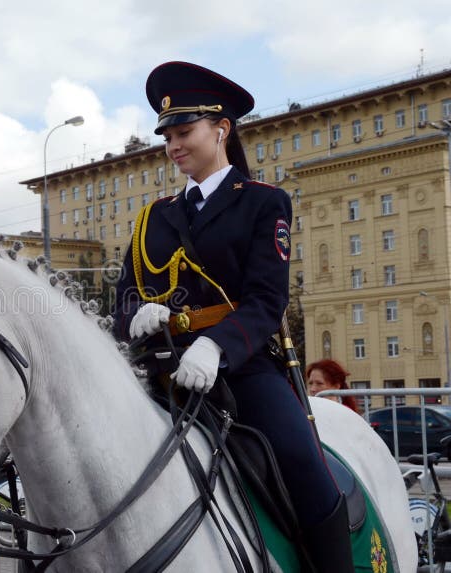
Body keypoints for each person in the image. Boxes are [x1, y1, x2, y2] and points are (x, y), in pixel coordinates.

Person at [112, 61, 353, 572]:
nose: (174, 146)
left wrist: (216, 345)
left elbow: (268, 299)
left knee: (304, 465)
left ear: (221, 130)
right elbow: (125, 297)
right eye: (168, 136)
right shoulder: (153, 217)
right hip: (163, 373)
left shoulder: (264, 203)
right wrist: (137, 314)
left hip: (243, 370)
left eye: (184, 132)